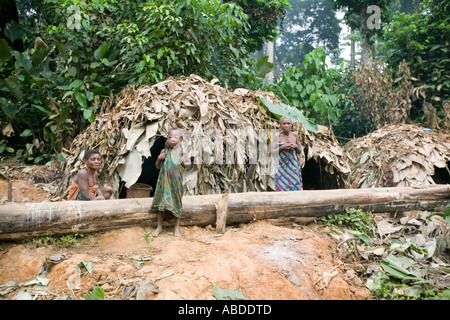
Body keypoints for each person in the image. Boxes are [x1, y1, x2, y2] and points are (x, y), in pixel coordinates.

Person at [151, 127, 190, 237]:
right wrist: (159, 158)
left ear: (181, 140)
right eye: (169, 137)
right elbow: (157, 167)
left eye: (176, 137)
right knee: (161, 205)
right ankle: (159, 227)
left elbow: (188, 164)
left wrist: (183, 161)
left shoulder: (182, 152)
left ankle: (176, 228)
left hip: (176, 183)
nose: (172, 139)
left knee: (177, 203)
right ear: (166, 139)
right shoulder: (164, 152)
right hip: (164, 182)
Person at [271, 116, 303, 191]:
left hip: (293, 166)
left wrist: (295, 146)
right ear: (280, 125)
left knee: (294, 184)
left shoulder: (295, 135)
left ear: (291, 125)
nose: (286, 125)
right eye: (284, 123)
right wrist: (282, 148)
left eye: (288, 123)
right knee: (281, 185)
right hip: (281, 165)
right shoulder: (277, 136)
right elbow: (272, 152)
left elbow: (299, 151)